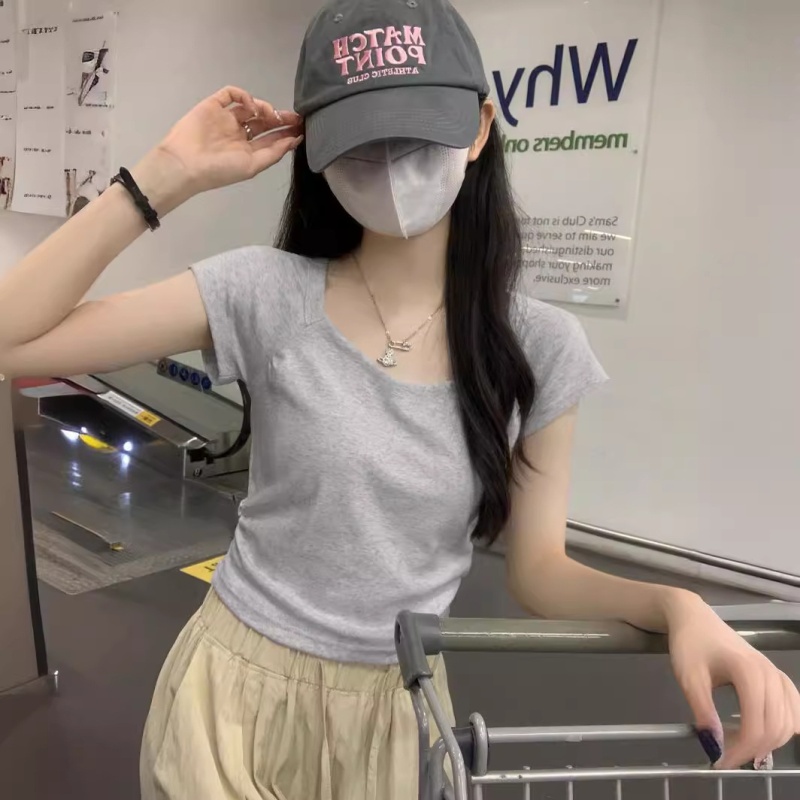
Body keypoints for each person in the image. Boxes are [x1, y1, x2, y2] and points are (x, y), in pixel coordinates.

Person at [1, 0, 798, 797]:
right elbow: (11, 340)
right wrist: (161, 178)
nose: (389, 164)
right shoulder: (263, 291)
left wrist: (677, 605)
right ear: (315, 151)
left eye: (417, 135)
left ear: (479, 127)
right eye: (361, 142)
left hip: (394, 707)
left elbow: (540, 572)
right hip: (233, 696)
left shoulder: (539, 345)